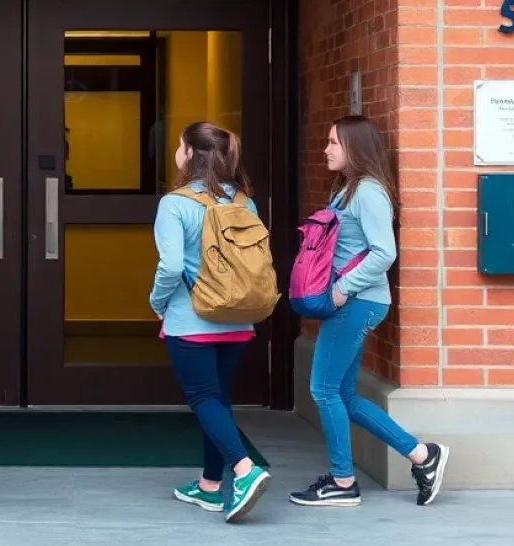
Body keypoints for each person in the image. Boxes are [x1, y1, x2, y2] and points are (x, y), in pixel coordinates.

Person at [290, 115, 449, 508]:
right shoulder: (347, 189)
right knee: (343, 394)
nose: (326, 149)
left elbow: (385, 252)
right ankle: (422, 456)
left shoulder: (368, 192)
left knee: (323, 390)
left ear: (355, 148)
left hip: (358, 303)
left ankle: (343, 482)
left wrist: (342, 289)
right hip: (354, 304)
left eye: (333, 143)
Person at [150, 121, 272, 523]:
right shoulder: (243, 201)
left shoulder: (175, 203)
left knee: (203, 400)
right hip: (238, 318)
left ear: (189, 154)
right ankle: (208, 485)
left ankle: (244, 469)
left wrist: (157, 302)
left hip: (193, 319)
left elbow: (169, 266)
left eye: (179, 146)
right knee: (218, 399)